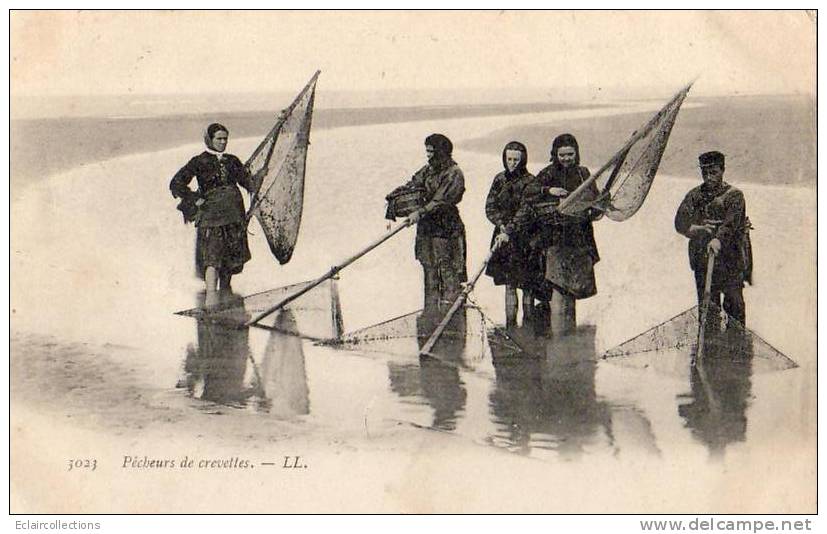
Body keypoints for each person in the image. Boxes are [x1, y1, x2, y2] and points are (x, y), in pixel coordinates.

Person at [170, 123, 265, 299]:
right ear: (209, 140)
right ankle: (211, 300)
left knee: (229, 261)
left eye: (225, 139)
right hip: (211, 217)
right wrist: (194, 199)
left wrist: (262, 174)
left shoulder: (232, 161)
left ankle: (225, 299)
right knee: (212, 259)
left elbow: (248, 183)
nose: (223, 142)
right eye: (219, 139)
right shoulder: (199, 161)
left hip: (234, 216)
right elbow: (176, 183)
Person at [528, 133, 601, 335]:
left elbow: (593, 198)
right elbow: (529, 192)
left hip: (579, 238)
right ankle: (561, 340)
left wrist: (595, 208)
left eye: (570, 154)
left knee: (574, 290)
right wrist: (549, 191)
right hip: (555, 238)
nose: (566, 158)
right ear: (555, 154)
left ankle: (569, 337)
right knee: (558, 288)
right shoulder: (547, 173)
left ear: (576, 154)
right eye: (562, 155)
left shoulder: (583, 174)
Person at [389, 133, 467, 310]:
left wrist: (419, 212)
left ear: (442, 152)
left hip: (446, 229)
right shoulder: (428, 170)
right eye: (427, 152)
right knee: (428, 269)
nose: (429, 155)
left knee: (447, 272)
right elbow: (413, 185)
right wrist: (395, 196)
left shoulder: (454, 173)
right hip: (426, 229)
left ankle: (450, 319)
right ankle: (430, 315)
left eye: (432, 152)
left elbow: (440, 201)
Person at [675, 151, 750, 325]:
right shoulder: (694, 195)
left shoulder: (735, 196)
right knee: (707, 309)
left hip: (730, 261)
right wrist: (698, 229)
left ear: (722, 170)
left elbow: (730, 225)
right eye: (705, 173)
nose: (709, 177)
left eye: (713, 172)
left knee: (734, 307)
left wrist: (718, 240)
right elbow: (680, 222)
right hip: (702, 260)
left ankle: (736, 348)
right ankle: (709, 348)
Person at [484, 141, 537, 328]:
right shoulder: (499, 179)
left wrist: (509, 229)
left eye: (516, 159)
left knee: (528, 286)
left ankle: (529, 326)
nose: (512, 163)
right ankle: (511, 327)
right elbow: (490, 207)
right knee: (509, 284)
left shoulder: (531, 182)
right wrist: (501, 225)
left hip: (525, 239)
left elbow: (526, 211)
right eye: (509, 159)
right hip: (503, 237)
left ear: (523, 160)